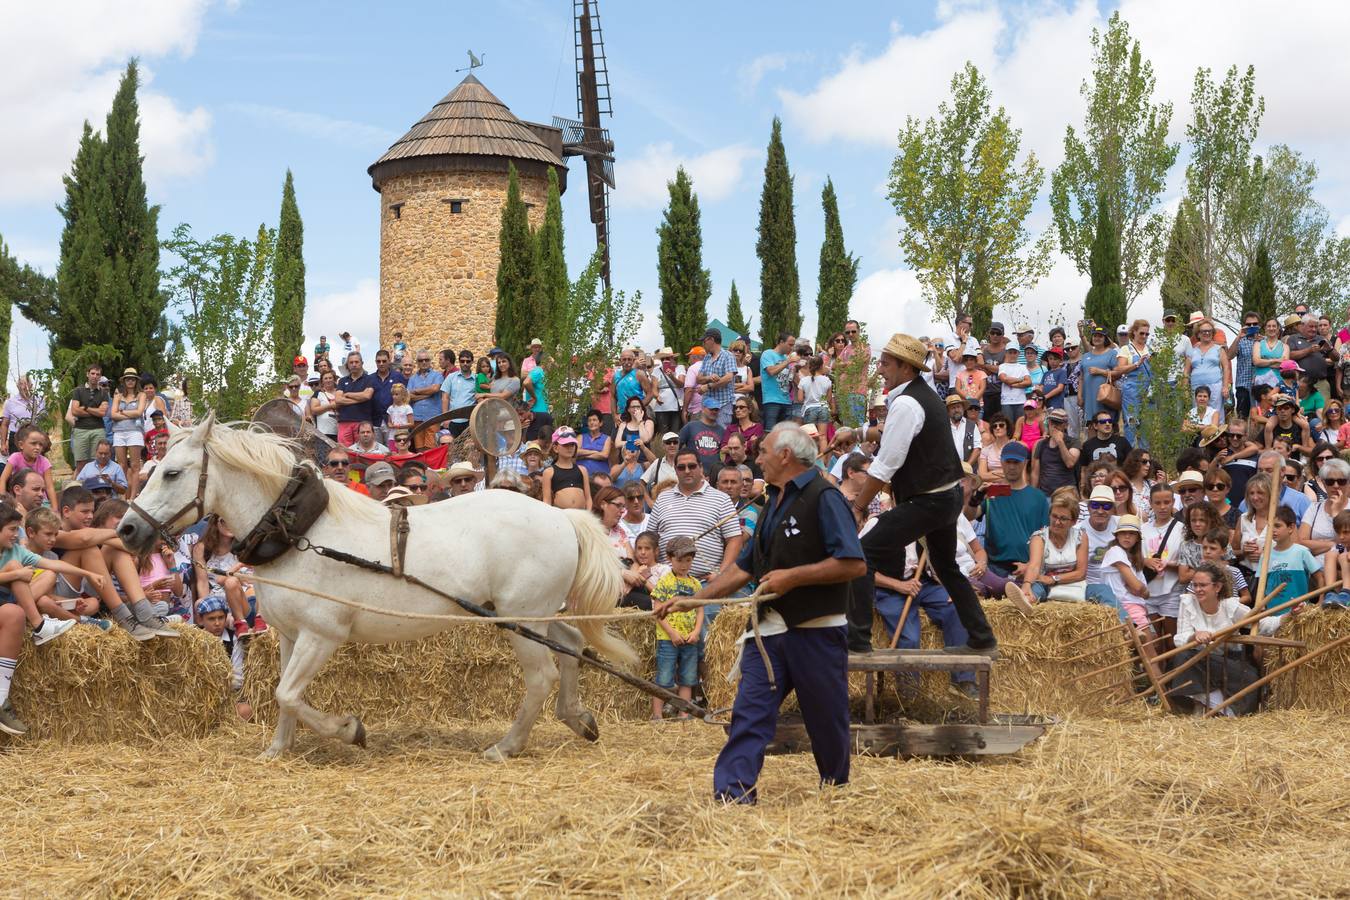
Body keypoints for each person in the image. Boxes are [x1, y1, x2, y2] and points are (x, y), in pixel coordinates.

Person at [664, 423, 863, 803]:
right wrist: (697, 599)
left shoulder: (825, 497)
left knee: (826, 722)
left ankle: (835, 790)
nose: (758, 460)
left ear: (786, 455)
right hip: (769, 631)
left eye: (764, 453)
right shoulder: (774, 501)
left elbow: (853, 563)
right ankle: (733, 796)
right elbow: (745, 567)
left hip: (816, 631)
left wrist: (794, 577)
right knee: (749, 715)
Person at [845, 334, 998, 657]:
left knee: (862, 554)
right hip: (945, 498)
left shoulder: (907, 403)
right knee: (946, 566)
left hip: (928, 501)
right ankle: (982, 635)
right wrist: (856, 433)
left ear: (905, 366)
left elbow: (885, 465)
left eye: (886, 363)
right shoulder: (920, 397)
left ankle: (856, 641)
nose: (881, 370)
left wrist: (858, 506)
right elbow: (889, 432)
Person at [873, 540, 977, 696]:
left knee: (957, 608)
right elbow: (861, 567)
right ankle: (910, 695)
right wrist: (897, 585)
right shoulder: (876, 524)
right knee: (909, 637)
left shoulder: (922, 526)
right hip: (890, 589)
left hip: (923, 584)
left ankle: (962, 681)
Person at [647, 448, 743, 580]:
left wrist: (721, 574)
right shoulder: (662, 498)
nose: (687, 471)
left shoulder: (721, 499)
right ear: (675, 470)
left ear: (701, 468)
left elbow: (734, 540)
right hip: (666, 582)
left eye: (692, 466)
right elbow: (650, 539)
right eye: (681, 467)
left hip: (706, 584)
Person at [648, 535, 704, 721]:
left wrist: (696, 631)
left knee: (688, 678)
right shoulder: (664, 582)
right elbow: (657, 610)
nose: (684, 565)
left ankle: (684, 714)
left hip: (689, 639)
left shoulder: (695, 584)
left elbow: (700, 609)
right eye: (680, 560)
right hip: (668, 638)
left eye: (688, 560)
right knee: (664, 678)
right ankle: (657, 714)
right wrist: (672, 633)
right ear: (670, 558)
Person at [982, 441, 1051, 580]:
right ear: (1001, 462)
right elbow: (971, 514)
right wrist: (975, 497)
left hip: (1027, 568)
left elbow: (1045, 537)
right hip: (995, 566)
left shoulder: (1038, 497)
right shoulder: (993, 491)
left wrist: (1031, 566)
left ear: (1025, 463)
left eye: (1016, 462)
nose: (1012, 467)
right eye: (1008, 462)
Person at [66, 363, 110, 473]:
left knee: (98, 460)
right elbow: (75, 411)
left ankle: (95, 488)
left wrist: (85, 408)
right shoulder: (78, 391)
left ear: (100, 376)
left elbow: (102, 412)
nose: (95, 376)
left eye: (97, 374)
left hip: (98, 429)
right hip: (81, 430)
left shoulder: (103, 393)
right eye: (92, 373)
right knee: (81, 462)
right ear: (87, 374)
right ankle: (82, 488)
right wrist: (95, 410)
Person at [1184, 319, 1229, 422]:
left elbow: (1226, 367)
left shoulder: (1219, 349)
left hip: (1215, 386)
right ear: (1198, 334)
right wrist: (1185, 389)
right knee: (1197, 415)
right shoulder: (1192, 350)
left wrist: (1225, 386)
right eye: (1203, 331)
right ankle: (1199, 437)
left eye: (1209, 331)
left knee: (1216, 414)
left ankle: (1217, 437)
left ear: (1213, 333)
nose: (1207, 333)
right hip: (1196, 387)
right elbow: (1186, 371)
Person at [696, 328, 737, 428]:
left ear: (711, 340)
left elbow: (728, 378)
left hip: (722, 405)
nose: (703, 345)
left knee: (721, 436)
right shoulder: (707, 357)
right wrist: (709, 378)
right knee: (705, 436)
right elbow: (698, 379)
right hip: (707, 405)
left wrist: (708, 386)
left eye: (704, 341)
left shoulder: (728, 356)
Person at [1032, 409, 1078, 495]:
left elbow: (1070, 463)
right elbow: (1035, 473)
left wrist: (1060, 441)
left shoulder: (1073, 442)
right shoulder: (1041, 444)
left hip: (1066, 494)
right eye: (1051, 422)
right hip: (1046, 493)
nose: (1053, 426)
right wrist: (1033, 494)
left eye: (1058, 423)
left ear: (1065, 425)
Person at [542, 427, 590, 510]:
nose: (570, 448)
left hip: (582, 516)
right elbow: (547, 501)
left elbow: (588, 498)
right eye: (565, 445)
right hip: (561, 517)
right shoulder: (549, 472)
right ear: (555, 448)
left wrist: (588, 514)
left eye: (572, 444)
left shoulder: (582, 470)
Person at [678, 402, 725, 479]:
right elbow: (677, 445)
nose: (714, 411)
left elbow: (723, 453)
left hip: (714, 476)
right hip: (692, 473)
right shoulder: (691, 426)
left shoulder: (722, 430)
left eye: (716, 410)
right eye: (711, 409)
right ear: (703, 409)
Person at [1, 375, 45, 456]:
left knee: (36, 466)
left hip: (36, 437)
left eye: (26, 384)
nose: (24, 387)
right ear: (18, 386)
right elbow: (4, 424)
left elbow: (44, 421)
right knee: (17, 467)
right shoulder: (10, 402)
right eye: (21, 384)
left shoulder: (39, 400)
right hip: (16, 439)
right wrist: (3, 444)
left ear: (31, 385)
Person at [758, 332, 794, 430]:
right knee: (770, 433)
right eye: (790, 344)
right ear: (781, 342)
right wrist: (788, 361)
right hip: (772, 400)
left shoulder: (786, 358)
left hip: (787, 401)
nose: (792, 348)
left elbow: (790, 380)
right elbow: (771, 371)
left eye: (793, 345)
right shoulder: (768, 354)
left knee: (785, 435)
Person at [1078, 411, 1132, 477]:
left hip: (1117, 482)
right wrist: (1083, 484)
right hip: (1096, 483)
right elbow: (1084, 469)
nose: (1107, 424)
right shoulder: (1087, 445)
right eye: (1103, 422)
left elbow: (1131, 464)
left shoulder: (1122, 441)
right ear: (1095, 426)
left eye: (1109, 421)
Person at [440, 350, 478, 439]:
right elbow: (445, 398)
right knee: (452, 448)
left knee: (469, 448)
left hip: (470, 421)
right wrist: (445, 418)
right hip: (452, 420)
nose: (465, 363)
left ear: (472, 362)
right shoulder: (451, 377)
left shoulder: (477, 379)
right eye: (462, 361)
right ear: (459, 362)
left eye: (468, 361)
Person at [1229, 312, 1262, 417]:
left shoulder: (1265, 341)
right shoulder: (1240, 341)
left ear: (1259, 325)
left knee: (1259, 418)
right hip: (1243, 385)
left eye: (1255, 324)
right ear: (1244, 325)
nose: (1252, 326)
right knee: (1242, 418)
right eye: (1249, 324)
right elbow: (1229, 356)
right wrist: (1238, 337)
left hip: (1260, 385)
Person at [649, 349, 685, 438]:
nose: (665, 360)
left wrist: (672, 376)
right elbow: (654, 388)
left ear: (672, 358)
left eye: (667, 358)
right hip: (662, 406)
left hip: (676, 404)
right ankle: (662, 451)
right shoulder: (657, 370)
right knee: (663, 433)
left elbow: (681, 384)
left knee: (675, 432)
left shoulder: (679, 368)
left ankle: (675, 450)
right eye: (663, 359)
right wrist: (657, 396)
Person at [996, 344, 1032, 424]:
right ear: (1006, 353)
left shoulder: (1022, 367)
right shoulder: (1002, 366)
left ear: (1018, 353)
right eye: (1010, 352)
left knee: (1021, 425)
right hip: (1006, 401)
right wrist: (1021, 379)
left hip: (1021, 401)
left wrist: (1013, 384)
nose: (1012, 355)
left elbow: (1029, 382)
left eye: (1014, 352)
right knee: (1009, 426)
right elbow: (1004, 379)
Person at [577, 410, 613, 481]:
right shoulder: (581, 437)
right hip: (581, 475)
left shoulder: (607, 438)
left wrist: (583, 455)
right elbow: (575, 452)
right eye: (589, 420)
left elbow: (604, 455)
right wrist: (596, 452)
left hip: (601, 476)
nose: (591, 422)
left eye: (594, 420)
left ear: (600, 423)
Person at [977, 413, 1013, 484]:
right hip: (991, 488)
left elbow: (1015, 473)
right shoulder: (986, 450)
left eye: (1001, 425)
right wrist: (1004, 475)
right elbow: (982, 476)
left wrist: (992, 473)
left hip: (1011, 487)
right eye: (994, 426)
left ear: (1007, 427)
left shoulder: (1014, 447)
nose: (998, 428)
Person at [948, 395, 982, 468]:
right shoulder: (943, 426)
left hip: (969, 473)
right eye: (953, 408)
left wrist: (967, 466)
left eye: (958, 407)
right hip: (949, 470)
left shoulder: (972, 425)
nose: (956, 410)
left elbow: (977, 448)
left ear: (963, 409)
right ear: (948, 411)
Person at [309, 371, 340, 443]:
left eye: (330, 378)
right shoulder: (318, 393)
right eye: (325, 378)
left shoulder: (340, 392)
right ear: (322, 381)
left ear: (334, 379)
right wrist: (331, 406)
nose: (328, 380)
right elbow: (314, 410)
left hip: (339, 431)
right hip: (323, 432)